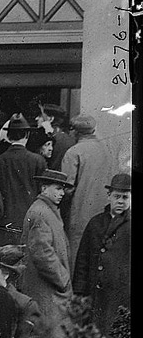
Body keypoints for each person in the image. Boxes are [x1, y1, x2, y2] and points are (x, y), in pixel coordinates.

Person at [21, 169, 73, 338]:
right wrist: (62, 279)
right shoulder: (42, 212)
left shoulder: (46, 210)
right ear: (44, 188)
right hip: (47, 288)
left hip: (46, 287)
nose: (61, 193)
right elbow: (42, 252)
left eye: (63, 189)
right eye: (57, 188)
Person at [73, 173, 131, 336]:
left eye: (125, 197)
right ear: (109, 196)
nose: (120, 201)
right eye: (116, 196)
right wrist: (79, 292)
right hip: (95, 295)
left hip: (121, 296)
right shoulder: (95, 223)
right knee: (94, 336)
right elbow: (82, 260)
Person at [60, 114, 114, 271]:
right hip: (106, 210)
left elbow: (67, 188)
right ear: (93, 130)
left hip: (81, 212)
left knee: (78, 256)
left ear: (74, 132)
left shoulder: (73, 152)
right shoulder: (106, 149)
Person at [0, 114, 47, 245]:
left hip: (5, 222)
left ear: (8, 137)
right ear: (27, 135)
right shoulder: (38, 161)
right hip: (32, 219)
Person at [34, 103, 74, 171]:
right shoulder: (68, 138)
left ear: (50, 119)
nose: (36, 118)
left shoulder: (50, 139)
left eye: (40, 116)